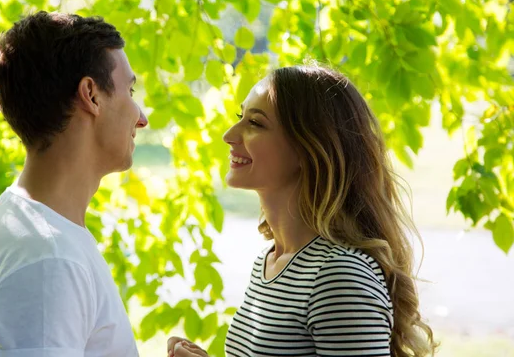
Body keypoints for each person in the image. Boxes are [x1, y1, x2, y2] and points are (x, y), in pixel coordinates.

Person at [168, 64, 436, 357]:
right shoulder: (268, 263)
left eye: (255, 123)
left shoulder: (339, 276)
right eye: (239, 117)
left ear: (308, 148)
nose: (230, 135)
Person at [0, 11, 148, 357]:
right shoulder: (48, 259)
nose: (142, 117)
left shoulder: (25, 218)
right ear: (91, 95)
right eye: (129, 90)